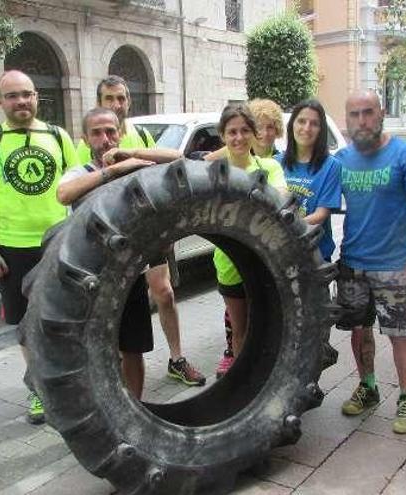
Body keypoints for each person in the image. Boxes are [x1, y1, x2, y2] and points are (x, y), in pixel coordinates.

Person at [77, 76, 206, 387]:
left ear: (128, 101)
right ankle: (116, 374)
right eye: (109, 99)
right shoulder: (90, 141)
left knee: (164, 292)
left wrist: (130, 153)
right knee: (115, 309)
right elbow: (76, 191)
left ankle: (176, 358)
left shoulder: (141, 134)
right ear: (100, 101)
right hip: (113, 240)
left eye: (121, 98)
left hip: (149, 230)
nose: (116, 104)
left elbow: (171, 162)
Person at [0, 70, 79, 424]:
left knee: (64, 319)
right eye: (13, 95)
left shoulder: (58, 137)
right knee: (26, 326)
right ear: (0, 102)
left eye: (27, 94)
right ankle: (39, 391)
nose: (21, 101)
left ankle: (68, 384)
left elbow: (78, 188)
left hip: (58, 243)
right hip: (14, 249)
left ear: (36, 97)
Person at [57, 107, 180, 398]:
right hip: (92, 280)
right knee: (99, 350)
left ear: (120, 133)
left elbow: (179, 160)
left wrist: (132, 157)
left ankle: (133, 405)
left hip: (129, 277)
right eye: (97, 133)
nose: (105, 139)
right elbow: (63, 194)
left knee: (132, 349)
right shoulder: (81, 173)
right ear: (86, 139)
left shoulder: (135, 165)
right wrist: (110, 171)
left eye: (111, 131)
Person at [334, 91, 406, 435]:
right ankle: (369, 386)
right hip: (352, 262)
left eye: (368, 113)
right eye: (354, 115)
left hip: (393, 264)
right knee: (359, 332)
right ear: (346, 121)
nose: (362, 120)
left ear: (380, 115)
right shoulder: (341, 160)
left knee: (400, 334)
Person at [206, 98, 286, 378]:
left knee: (266, 327)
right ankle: (242, 386)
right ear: (223, 136)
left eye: (244, 131)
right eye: (232, 132)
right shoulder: (214, 172)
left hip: (266, 263)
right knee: (239, 330)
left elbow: (280, 200)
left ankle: (266, 381)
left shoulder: (270, 168)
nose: (238, 137)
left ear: (254, 133)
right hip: (229, 264)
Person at [276, 99, 342, 262]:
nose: (306, 128)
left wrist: (283, 230)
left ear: (321, 130)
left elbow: (321, 215)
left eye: (314, 124)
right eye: (301, 121)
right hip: (281, 255)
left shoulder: (331, 166)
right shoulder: (276, 163)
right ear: (292, 125)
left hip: (315, 257)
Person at [205, 98, 284, 161]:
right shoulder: (237, 149)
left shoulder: (282, 160)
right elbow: (204, 162)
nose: (265, 133)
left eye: (270, 127)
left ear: (277, 129)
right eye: (259, 127)